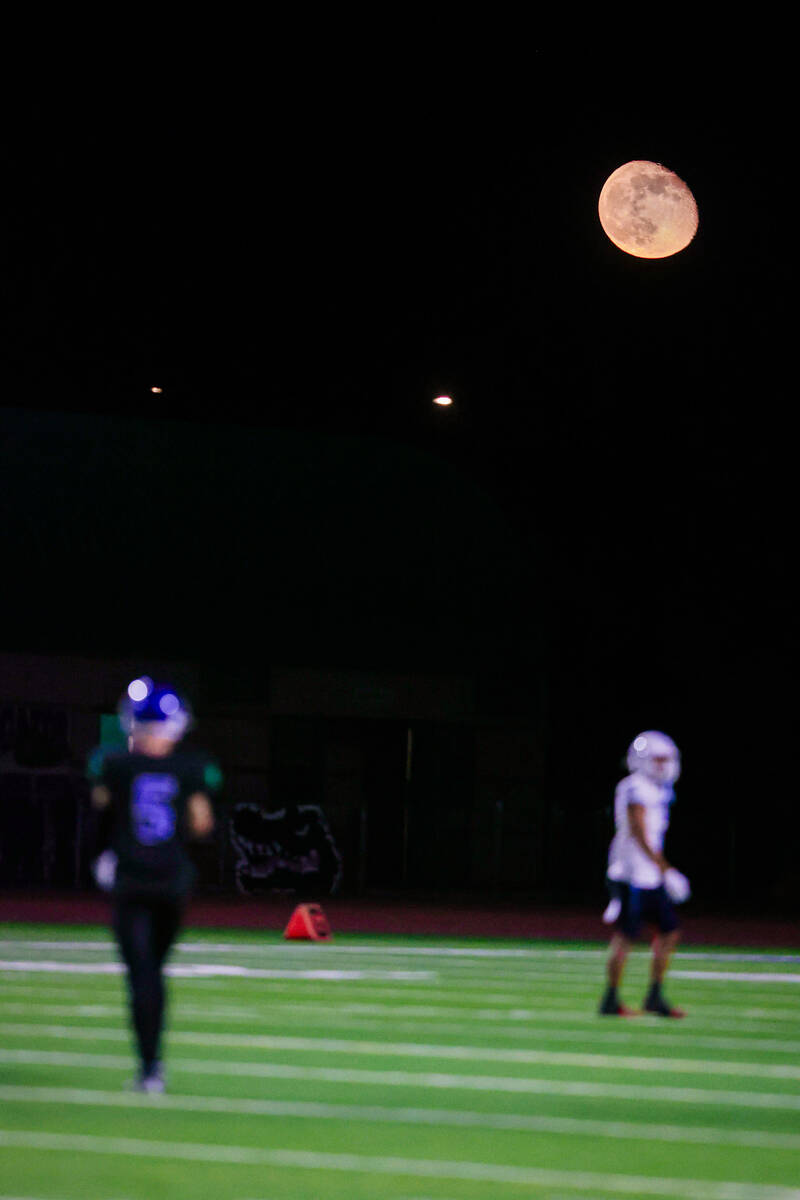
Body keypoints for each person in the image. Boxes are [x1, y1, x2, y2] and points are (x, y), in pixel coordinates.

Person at [87, 676, 221, 1091]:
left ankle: (150, 1070)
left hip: (131, 880)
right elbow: (202, 824)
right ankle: (150, 1068)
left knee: (141, 974)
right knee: (155, 972)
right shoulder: (193, 767)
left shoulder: (114, 764)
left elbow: (100, 806)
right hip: (172, 881)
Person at [598, 730, 691, 1018]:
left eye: (667, 759)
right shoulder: (634, 786)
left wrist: (659, 871)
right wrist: (666, 869)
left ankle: (654, 996)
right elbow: (638, 829)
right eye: (658, 759)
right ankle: (611, 999)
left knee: (669, 932)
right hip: (629, 874)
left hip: (649, 875)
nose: (663, 765)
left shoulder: (660, 789)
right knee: (626, 936)